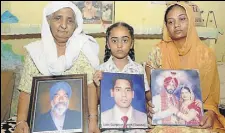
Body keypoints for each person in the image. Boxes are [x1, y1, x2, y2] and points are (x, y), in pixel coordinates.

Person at [14, 1, 100, 133]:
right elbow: (26, 92)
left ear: (76, 26)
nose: (64, 25)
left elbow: (90, 87)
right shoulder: (35, 53)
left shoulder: (84, 51)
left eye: (70, 21)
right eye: (58, 18)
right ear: (48, 21)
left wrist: (93, 120)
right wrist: (20, 122)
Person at [145, 2, 225, 132]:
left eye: (182, 19)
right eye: (171, 22)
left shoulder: (206, 54)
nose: (176, 25)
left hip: (197, 115)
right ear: (166, 26)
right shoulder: (157, 51)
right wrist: (151, 105)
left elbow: (211, 97)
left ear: (191, 20)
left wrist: (210, 113)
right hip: (165, 115)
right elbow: (149, 90)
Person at [92, 22, 151, 133]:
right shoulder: (101, 70)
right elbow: (99, 100)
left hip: (135, 126)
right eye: (114, 41)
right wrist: (98, 85)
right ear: (108, 44)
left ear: (132, 43)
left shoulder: (138, 69)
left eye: (124, 40)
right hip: (109, 126)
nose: (119, 45)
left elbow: (145, 96)